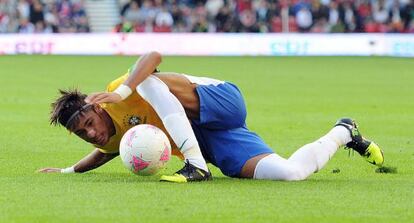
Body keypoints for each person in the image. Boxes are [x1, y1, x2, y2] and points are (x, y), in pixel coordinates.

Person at [38, 51, 384, 182]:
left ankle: (196, 167)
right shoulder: (109, 136)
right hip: (206, 137)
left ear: (97, 107)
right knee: (288, 173)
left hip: (219, 101)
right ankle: (345, 131)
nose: (92, 134)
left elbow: (152, 55)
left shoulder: (118, 92)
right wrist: (69, 170)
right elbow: (106, 150)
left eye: (89, 124)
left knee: (149, 83)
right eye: (83, 134)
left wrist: (123, 91)